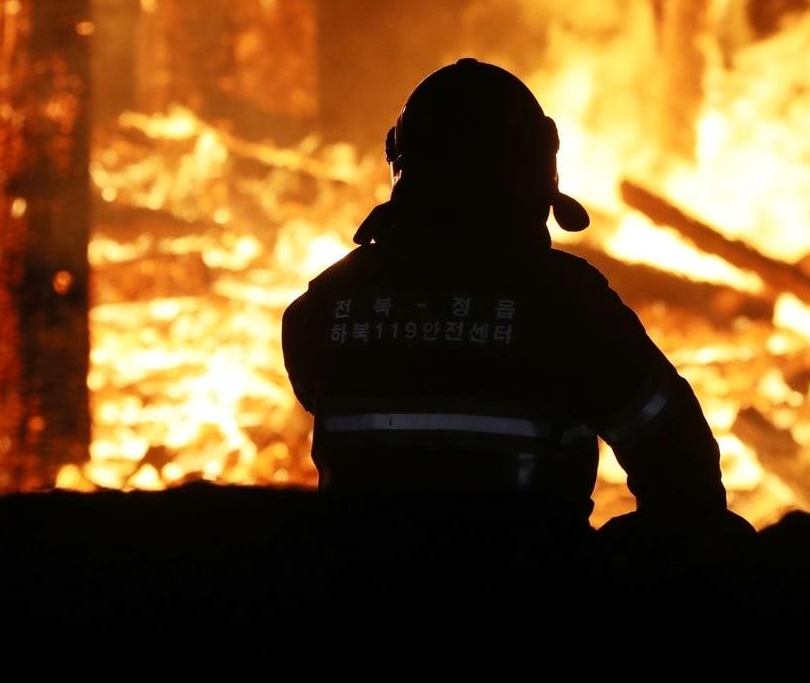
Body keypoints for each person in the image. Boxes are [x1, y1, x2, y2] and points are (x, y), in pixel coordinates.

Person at [281, 58, 748, 586]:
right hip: (527, 604)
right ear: (536, 176)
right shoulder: (567, 303)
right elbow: (679, 466)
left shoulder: (323, 306)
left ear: (400, 166)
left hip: (355, 597)